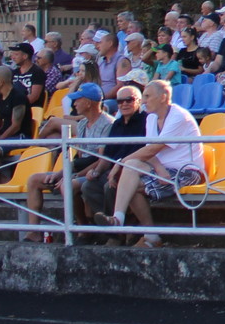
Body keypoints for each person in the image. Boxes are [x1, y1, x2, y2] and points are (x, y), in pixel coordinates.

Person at [100, 79, 202, 249]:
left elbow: (151, 150)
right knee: (131, 170)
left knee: (129, 180)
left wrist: (119, 164)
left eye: (147, 96)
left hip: (187, 171)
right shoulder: (151, 118)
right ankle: (119, 219)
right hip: (164, 169)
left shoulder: (178, 116)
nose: (144, 100)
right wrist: (160, 169)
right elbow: (150, 151)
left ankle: (150, 235)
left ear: (163, 97)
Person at [22, 82, 115, 242]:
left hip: (98, 172)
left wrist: (73, 176)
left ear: (88, 102)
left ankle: (82, 228)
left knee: (69, 185)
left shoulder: (108, 123)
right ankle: (34, 231)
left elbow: (102, 160)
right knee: (34, 180)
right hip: (81, 169)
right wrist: (61, 173)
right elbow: (79, 158)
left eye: (78, 99)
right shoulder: (83, 123)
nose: (74, 103)